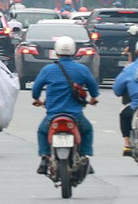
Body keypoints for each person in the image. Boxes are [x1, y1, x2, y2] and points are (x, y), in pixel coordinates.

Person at [30, 35, 98, 175]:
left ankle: (44, 158)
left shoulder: (48, 70)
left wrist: (37, 99)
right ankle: (85, 157)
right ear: (73, 51)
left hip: (53, 115)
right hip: (75, 116)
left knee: (42, 131)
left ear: (56, 51)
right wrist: (93, 98)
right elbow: (93, 88)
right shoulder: (82, 69)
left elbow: (35, 89)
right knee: (87, 130)